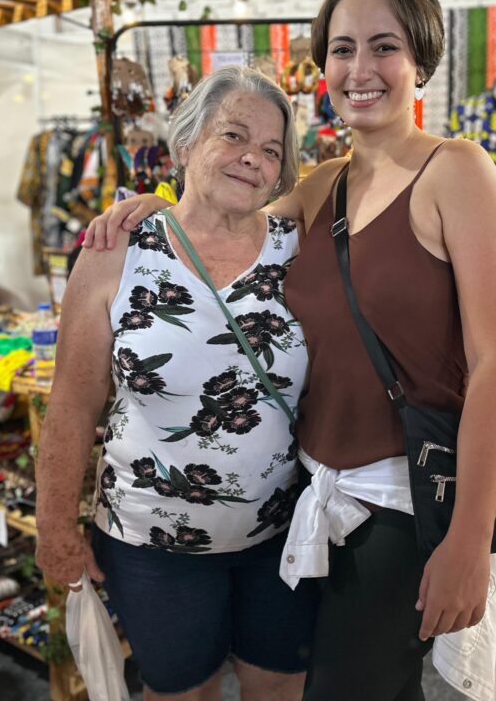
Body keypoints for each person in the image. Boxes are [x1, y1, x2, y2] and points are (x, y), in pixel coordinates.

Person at [85, 0, 496, 701]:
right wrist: (158, 204)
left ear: (420, 63)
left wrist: (469, 542)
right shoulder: (323, 185)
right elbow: (227, 219)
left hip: (402, 501)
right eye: (341, 48)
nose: (359, 70)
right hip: (312, 497)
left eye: (384, 47)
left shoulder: (458, 174)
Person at [35, 66, 318, 701]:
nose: (253, 158)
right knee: (182, 692)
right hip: (152, 541)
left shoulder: (298, 249)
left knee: (282, 687)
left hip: (282, 534)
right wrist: (54, 522)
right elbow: (73, 403)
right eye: (234, 135)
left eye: (272, 150)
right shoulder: (118, 250)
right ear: (185, 143)